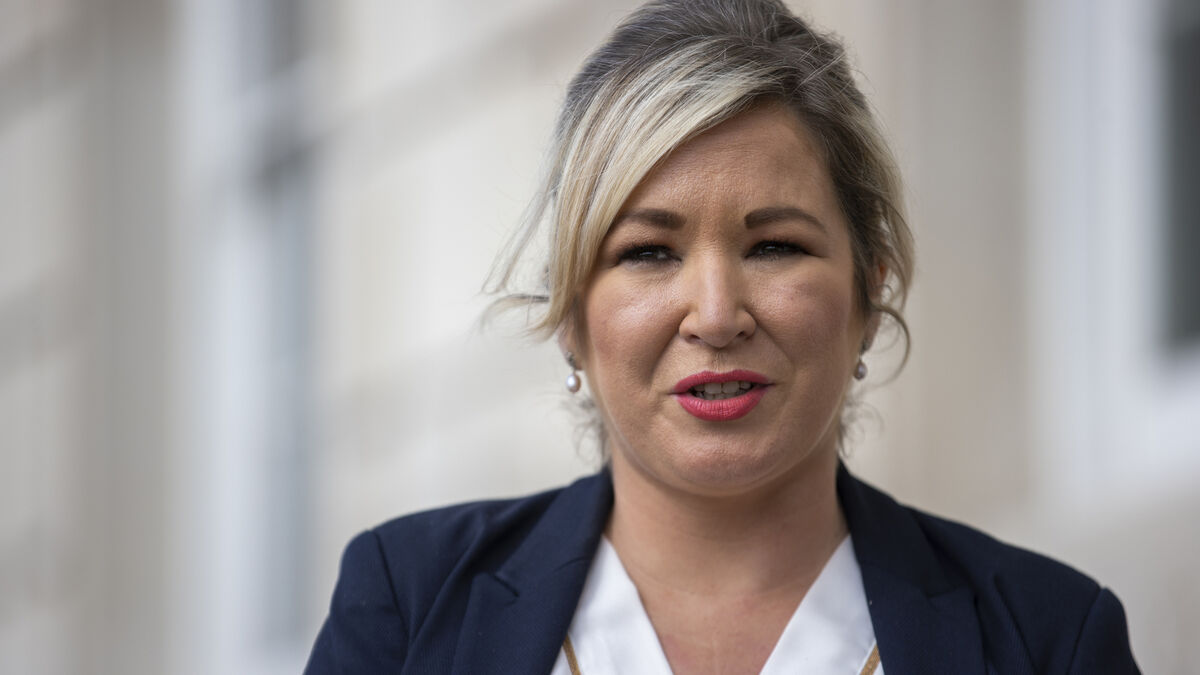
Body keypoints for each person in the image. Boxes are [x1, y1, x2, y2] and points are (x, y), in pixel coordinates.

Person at [305, 1, 1140, 673]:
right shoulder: (411, 604)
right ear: (571, 314)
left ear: (869, 286)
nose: (714, 315)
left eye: (774, 246)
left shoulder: (1049, 638)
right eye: (648, 253)